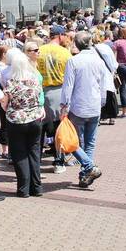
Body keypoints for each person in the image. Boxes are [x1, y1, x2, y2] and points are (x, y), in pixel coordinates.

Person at [60, 31, 110, 190]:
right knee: (89, 142)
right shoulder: (98, 61)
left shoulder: (74, 61)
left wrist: (64, 105)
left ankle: (88, 168)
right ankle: (85, 173)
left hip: (78, 106)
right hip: (94, 105)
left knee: (72, 141)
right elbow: (103, 84)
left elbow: (68, 86)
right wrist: (102, 101)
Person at [0, 47, 45, 198]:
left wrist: (10, 108)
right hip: (35, 118)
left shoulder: (11, 83)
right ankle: (37, 187)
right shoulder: (34, 80)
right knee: (34, 152)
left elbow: (4, 104)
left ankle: (23, 189)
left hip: (16, 120)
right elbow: (39, 97)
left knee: (20, 154)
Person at [37, 25, 72, 174]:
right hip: (59, 90)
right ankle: (59, 160)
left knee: (41, 128)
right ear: (60, 36)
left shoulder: (39, 51)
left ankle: (36, 159)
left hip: (41, 90)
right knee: (60, 128)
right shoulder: (65, 53)